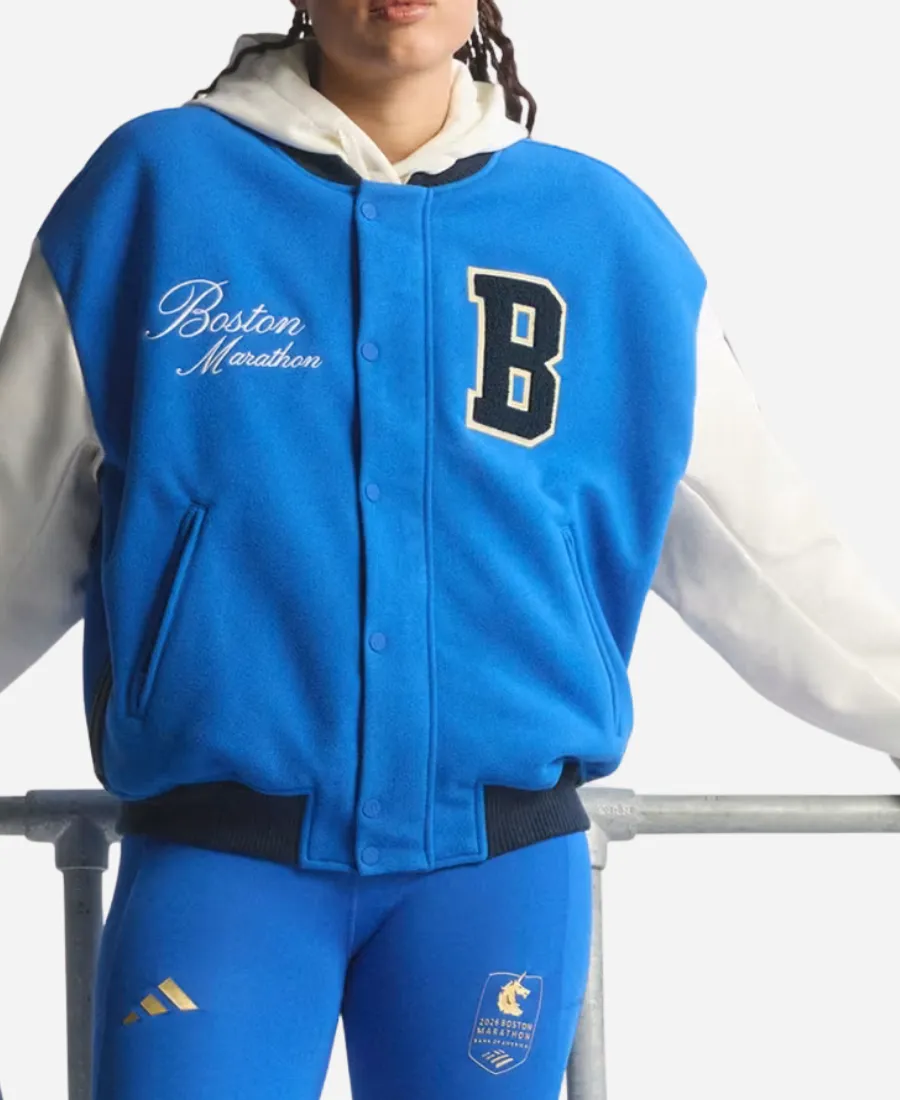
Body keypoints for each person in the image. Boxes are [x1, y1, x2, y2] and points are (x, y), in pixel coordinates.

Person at [2, 1, 900, 1097]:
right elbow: (17, 518)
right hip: (217, 862)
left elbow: (765, 549)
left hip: (496, 876)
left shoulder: (603, 236)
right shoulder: (153, 194)